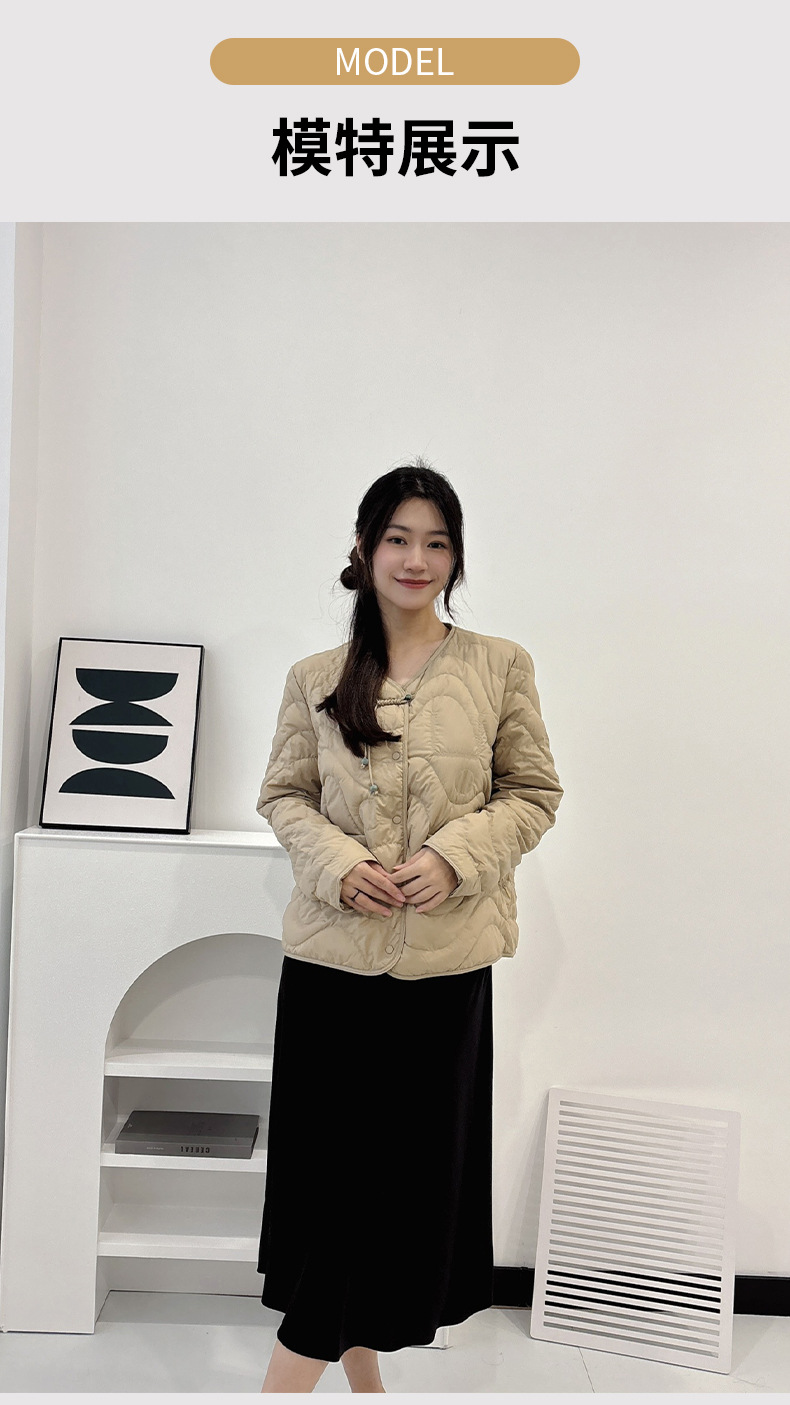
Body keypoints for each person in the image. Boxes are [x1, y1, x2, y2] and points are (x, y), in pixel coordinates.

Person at [255, 461, 563, 1392]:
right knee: (335, 1189)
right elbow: (284, 796)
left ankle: (356, 1375)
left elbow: (533, 792)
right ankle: (311, 1378)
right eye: (397, 538)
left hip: (443, 973)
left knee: (396, 1189)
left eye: (436, 541)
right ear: (365, 548)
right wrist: (340, 864)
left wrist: (455, 857)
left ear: (456, 557)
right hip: (331, 972)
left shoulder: (500, 666)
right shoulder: (315, 677)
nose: (416, 558)